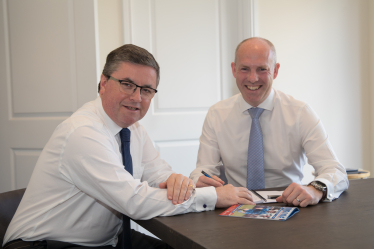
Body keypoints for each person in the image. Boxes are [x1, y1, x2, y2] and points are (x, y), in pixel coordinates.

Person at [3, 44, 254, 249]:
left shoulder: (133, 129)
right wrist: (213, 196)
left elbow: (157, 173)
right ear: (103, 83)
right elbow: (134, 200)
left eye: (146, 89)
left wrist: (178, 182)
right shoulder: (82, 133)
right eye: (127, 84)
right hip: (44, 245)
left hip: (105, 241)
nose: (136, 97)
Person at [190, 37, 349, 208]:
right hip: (235, 207)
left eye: (262, 69)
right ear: (233, 69)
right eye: (244, 69)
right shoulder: (216, 114)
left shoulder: (300, 113)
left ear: (275, 70)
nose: (252, 78)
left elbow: (335, 170)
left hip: (290, 206)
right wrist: (199, 180)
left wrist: (316, 188)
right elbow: (204, 170)